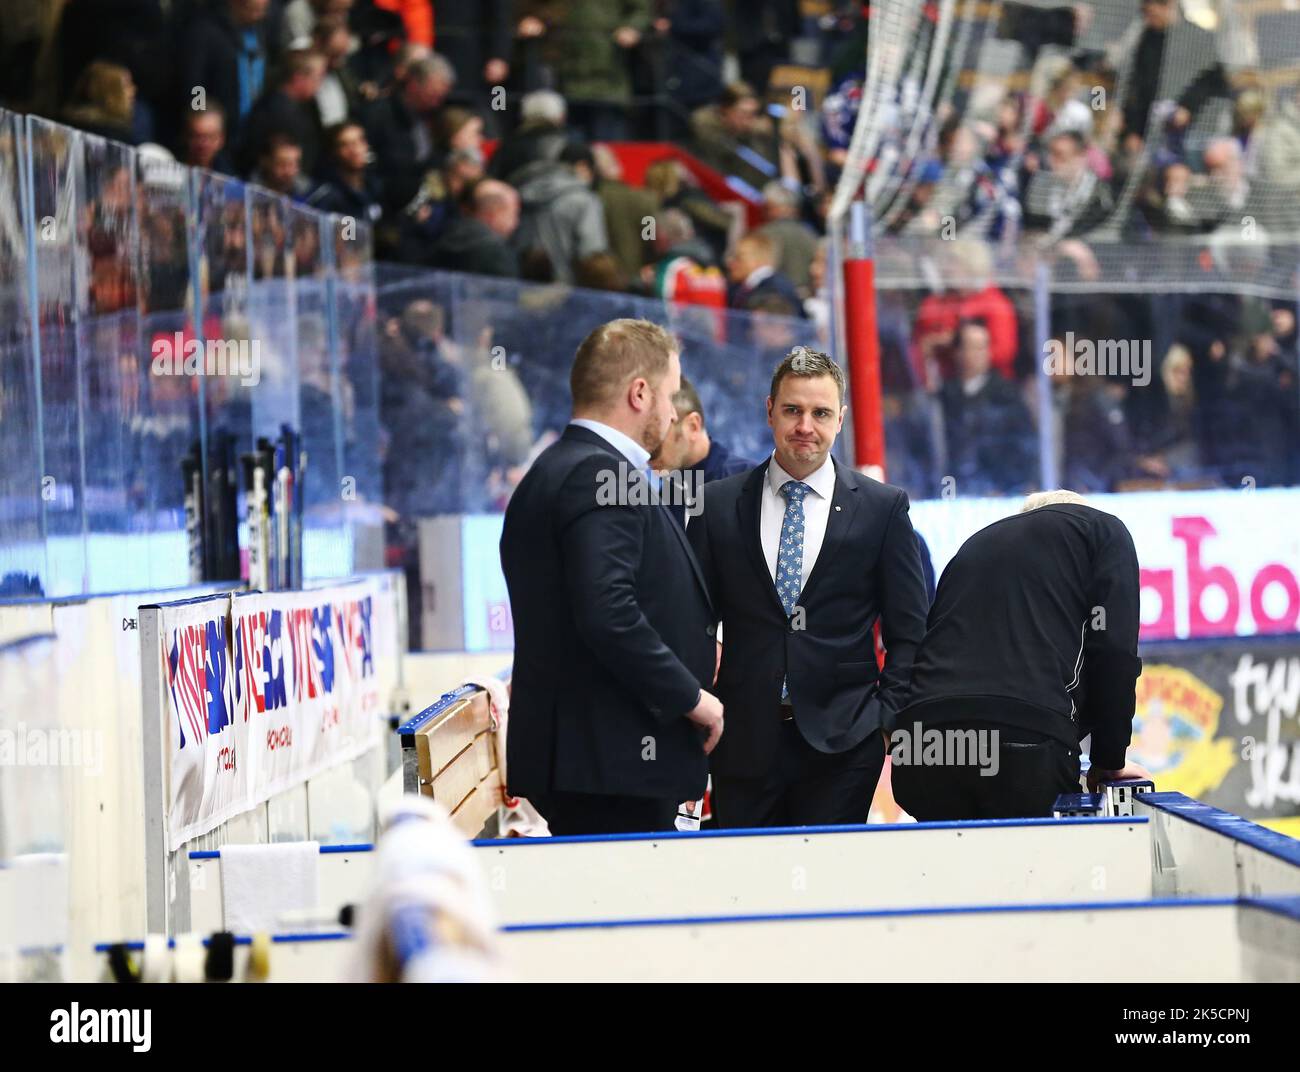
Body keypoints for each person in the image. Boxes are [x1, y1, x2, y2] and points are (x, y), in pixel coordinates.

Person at [687, 347, 929, 827]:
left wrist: (885, 723)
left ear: (840, 419)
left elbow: (911, 632)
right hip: (741, 743)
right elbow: (691, 620)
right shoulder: (717, 505)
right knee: (747, 890)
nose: (805, 426)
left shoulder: (882, 509)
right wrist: (696, 712)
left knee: (831, 889)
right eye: (793, 410)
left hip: (845, 746)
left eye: (820, 413)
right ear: (769, 411)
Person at [500, 319, 724, 835]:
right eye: (669, 396)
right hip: (610, 767)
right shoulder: (597, 475)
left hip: (602, 763)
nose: (672, 413)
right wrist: (693, 699)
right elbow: (608, 611)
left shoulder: (561, 468)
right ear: (639, 392)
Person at [891, 490, 1149, 821]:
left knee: (951, 869)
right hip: (1022, 746)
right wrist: (1108, 761)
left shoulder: (974, 545)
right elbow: (1115, 653)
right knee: (1032, 868)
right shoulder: (1101, 530)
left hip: (920, 750)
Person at [650, 376, 752, 526]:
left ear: (692, 426)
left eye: (657, 441)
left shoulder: (749, 483)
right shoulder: (658, 491)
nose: (648, 453)